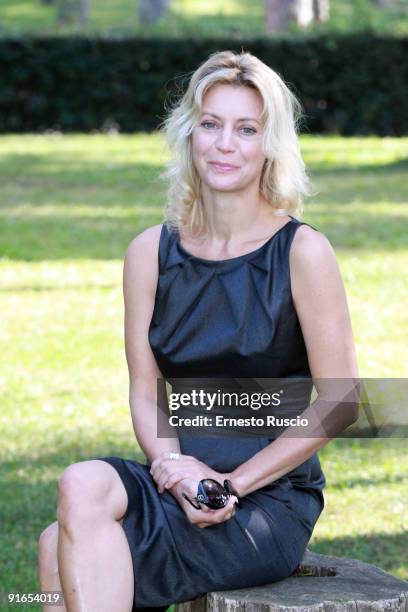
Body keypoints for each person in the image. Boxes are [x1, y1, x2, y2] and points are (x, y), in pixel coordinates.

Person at [38, 50, 359, 612]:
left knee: (54, 555)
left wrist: (230, 484)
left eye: (246, 129)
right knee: (81, 485)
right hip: (178, 479)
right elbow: (146, 391)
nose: (225, 144)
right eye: (210, 124)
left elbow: (341, 402)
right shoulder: (149, 253)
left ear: (270, 146)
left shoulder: (302, 252)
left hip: (265, 498)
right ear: (189, 134)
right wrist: (172, 471)